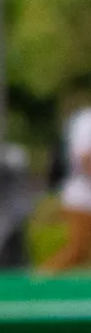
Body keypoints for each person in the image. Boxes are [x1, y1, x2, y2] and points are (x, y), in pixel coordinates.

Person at [55, 93, 91, 274]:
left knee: (79, 252)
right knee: (76, 251)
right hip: (82, 199)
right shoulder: (86, 120)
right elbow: (85, 159)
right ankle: (38, 284)